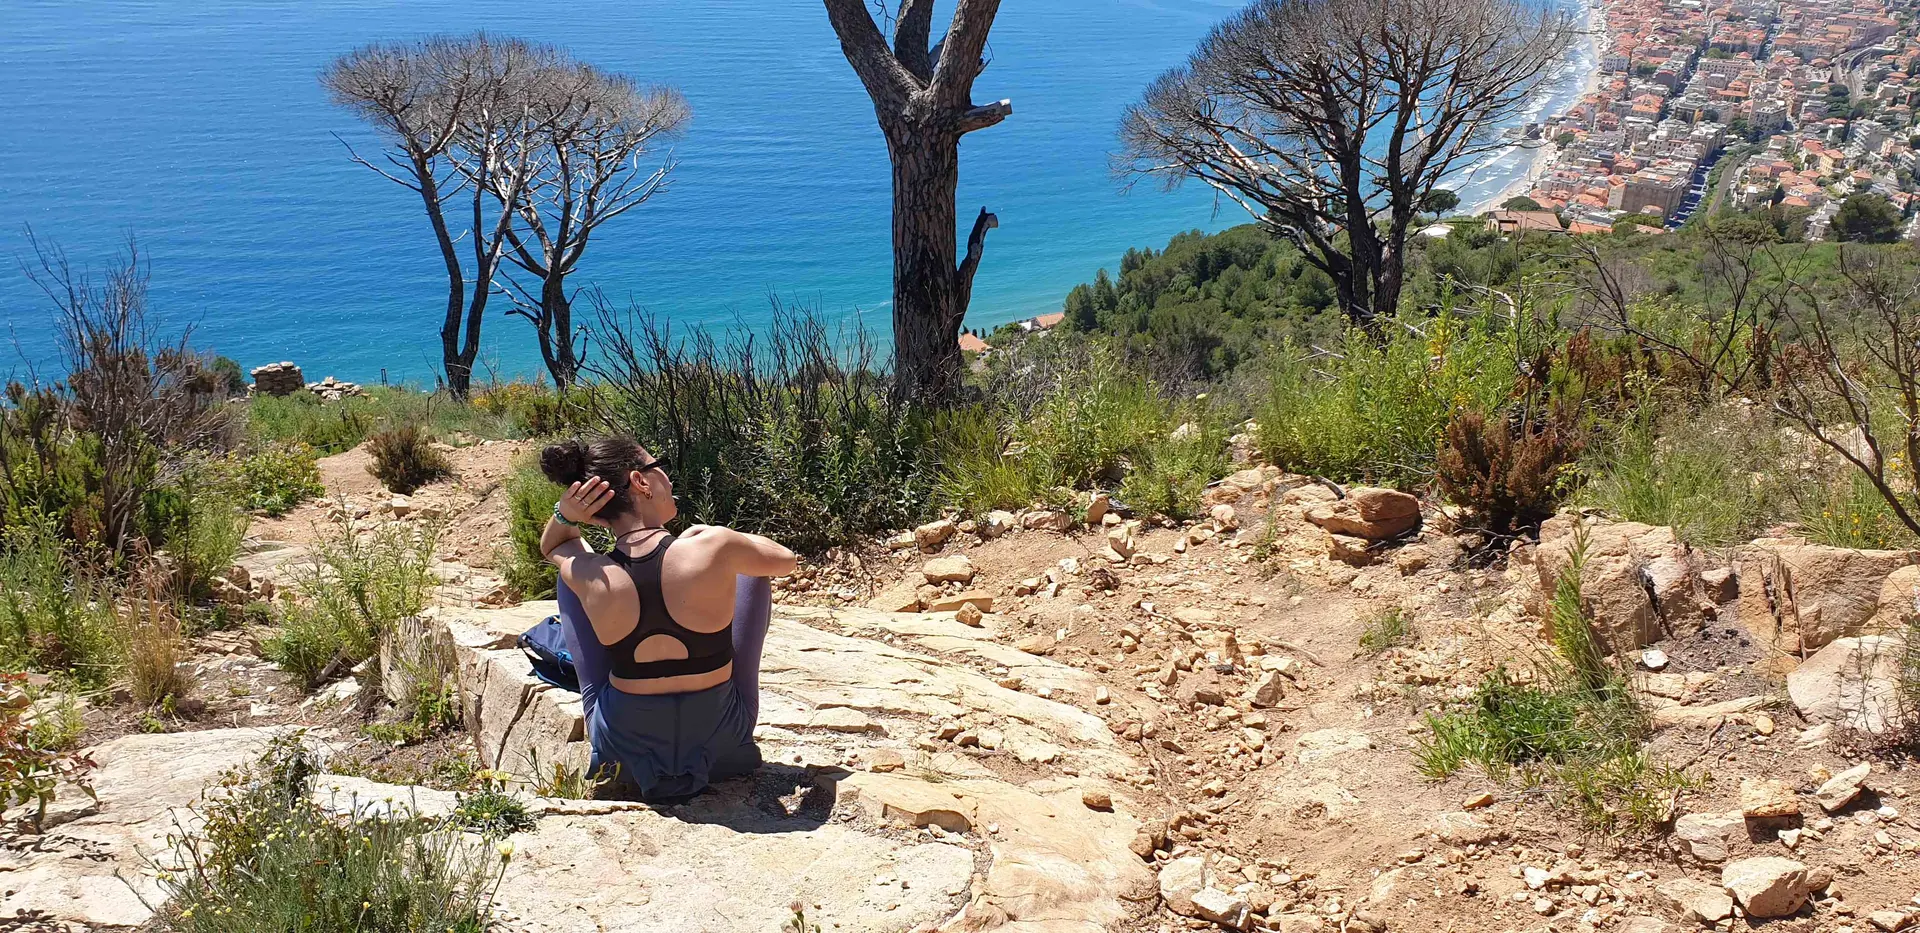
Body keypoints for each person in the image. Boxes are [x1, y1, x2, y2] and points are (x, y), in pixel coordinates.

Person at [538, 436, 796, 801]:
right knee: (750, 568)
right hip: (722, 739)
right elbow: (785, 560)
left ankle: (610, 748)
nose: (667, 478)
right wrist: (718, 536)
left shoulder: (590, 569)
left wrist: (566, 514)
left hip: (623, 750)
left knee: (571, 577)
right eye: (658, 466)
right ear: (640, 481)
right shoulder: (714, 546)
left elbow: (553, 546)